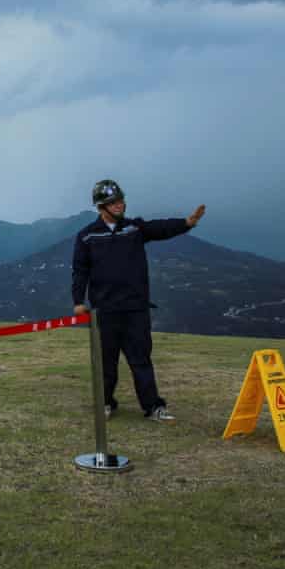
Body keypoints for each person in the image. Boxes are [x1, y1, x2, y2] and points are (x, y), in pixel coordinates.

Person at [71, 179, 205, 422]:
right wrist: (78, 301)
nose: (120, 205)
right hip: (105, 310)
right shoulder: (87, 236)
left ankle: (153, 407)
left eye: (121, 199)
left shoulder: (134, 229)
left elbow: (159, 228)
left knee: (141, 359)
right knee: (106, 363)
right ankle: (105, 403)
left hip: (136, 309)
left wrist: (186, 223)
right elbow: (80, 270)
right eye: (114, 202)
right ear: (102, 206)